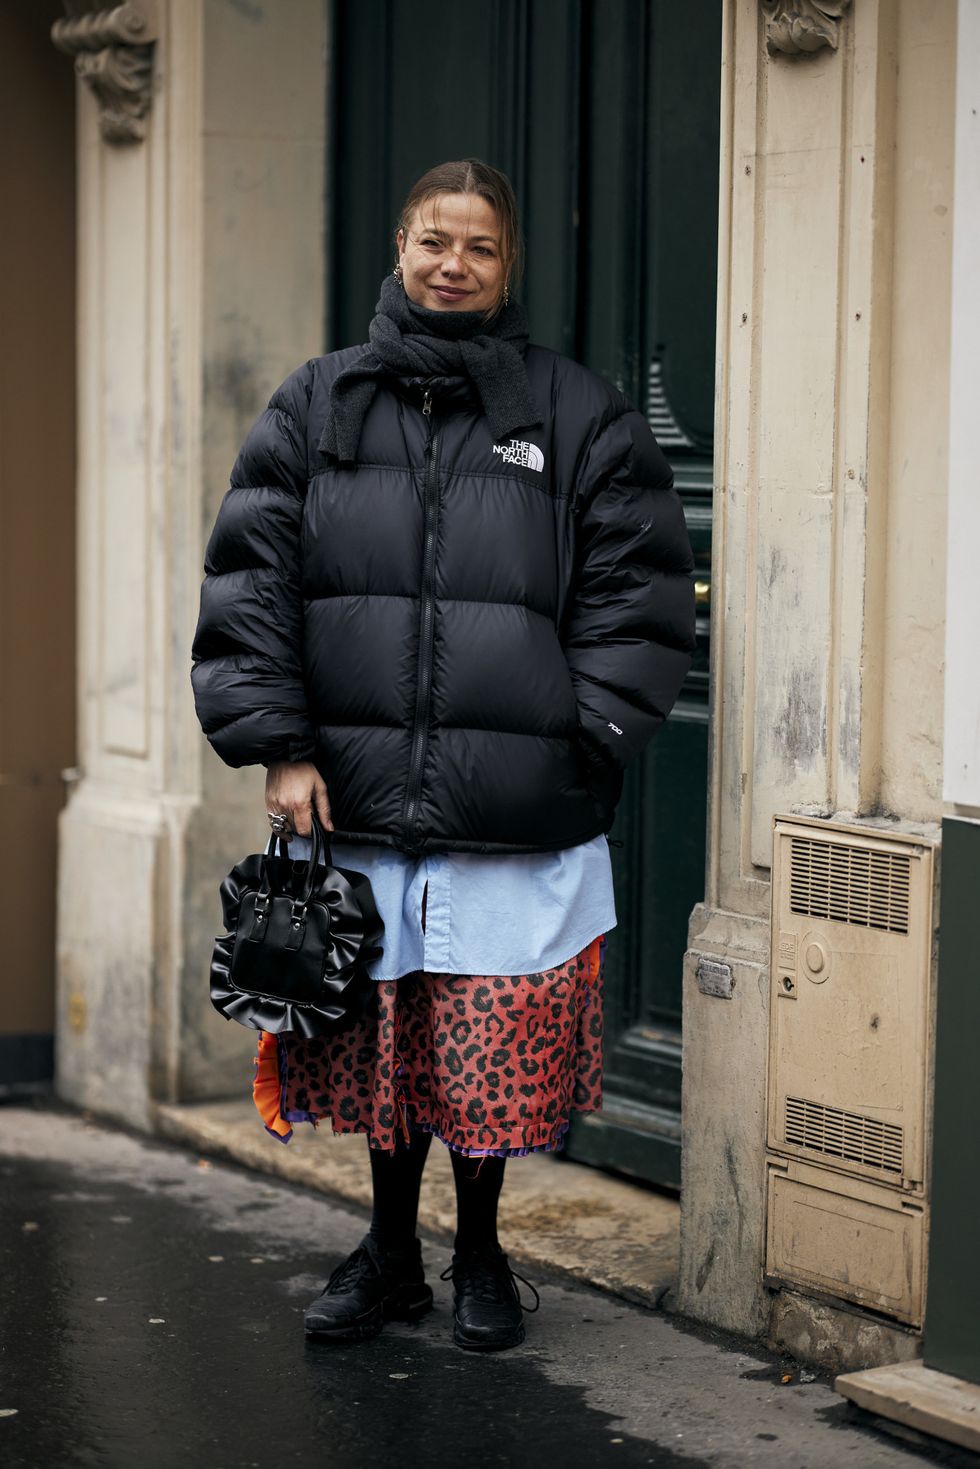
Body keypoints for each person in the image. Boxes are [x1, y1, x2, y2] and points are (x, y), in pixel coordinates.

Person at [191, 159, 695, 1352]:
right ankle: (387, 1252)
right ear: (400, 246)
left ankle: (477, 1252)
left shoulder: (576, 413)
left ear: (504, 263)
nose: (450, 263)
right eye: (431, 240)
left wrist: (580, 732)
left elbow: (641, 590)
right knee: (378, 1036)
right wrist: (277, 744)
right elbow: (251, 579)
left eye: (475, 245)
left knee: (480, 1040)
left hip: (509, 803)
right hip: (354, 794)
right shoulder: (316, 403)